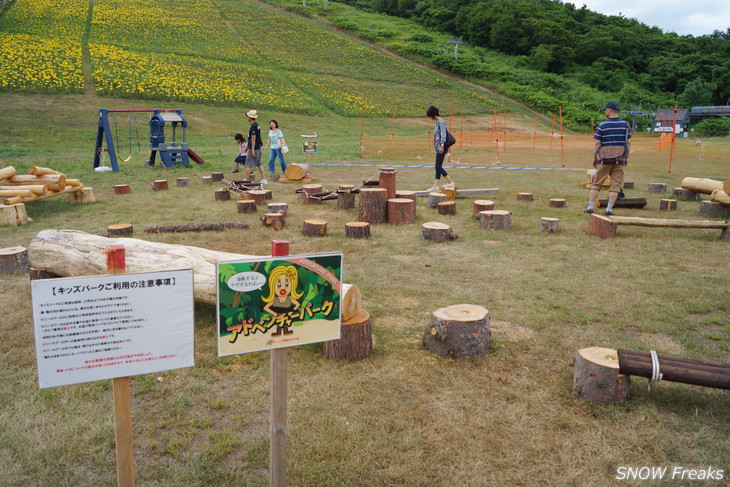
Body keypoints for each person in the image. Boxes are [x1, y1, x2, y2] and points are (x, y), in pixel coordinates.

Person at [584, 101, 631, 216]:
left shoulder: (603, 125)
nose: (605, 111)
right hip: (619, 159)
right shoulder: (625, 125)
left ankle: (590, 207)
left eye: (605, 109)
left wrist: (594, 157)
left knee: (596, 183)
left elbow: (597, 144)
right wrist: (626, 156)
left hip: (605, 159)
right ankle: (609, 210)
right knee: (615, 186)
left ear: (609, 110)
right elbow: (628, 143)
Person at [262, 265, 303, 336]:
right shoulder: (275, 299)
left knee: (286, 324)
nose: (283, 288)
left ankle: (286, 331)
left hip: (286, 315)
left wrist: (291, 312)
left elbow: (297, 304)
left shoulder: (289, 298)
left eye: (287, 284)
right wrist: (275, 314)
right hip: (278, 316)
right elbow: (266, 307)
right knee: (279, 324)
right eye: (279, 285)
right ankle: (278, 332)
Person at [425, 106, 455, 192]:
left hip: (442, 147)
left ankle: (450, 182)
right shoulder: (438, 122)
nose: (430, 118)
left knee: (437, 166)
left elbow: (443, 135)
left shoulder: (441, 122)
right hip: (439, 147)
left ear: (433, 115)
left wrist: (442, 145)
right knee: (438, 166)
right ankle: (436, 186)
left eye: (430, 116)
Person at [245, 110, 267, 184]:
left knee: (248, 164)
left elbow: (253, 138)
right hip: (257, 147)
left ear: (250, 118)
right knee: (259, 163)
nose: (247, 117)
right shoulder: (257, 125)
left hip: (254, 148)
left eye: (248, 116)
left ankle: (246, 180)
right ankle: (264, 179)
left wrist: (252, 150)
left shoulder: (253, 126)